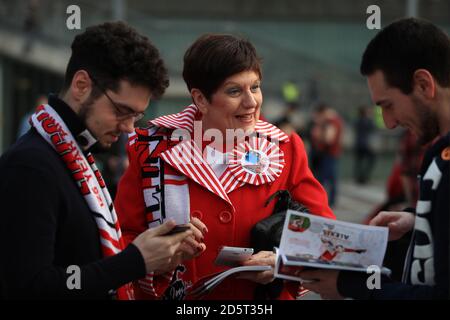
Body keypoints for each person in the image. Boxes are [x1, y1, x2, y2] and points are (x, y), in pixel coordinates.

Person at [114, 33, 335, 300]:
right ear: (200, 99)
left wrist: (281, 261)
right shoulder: (150, 148)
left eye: (255, 87)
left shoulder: (286, 147)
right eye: (234, 91)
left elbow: (326, 235)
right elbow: (123, 238)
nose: (251, 102)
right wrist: (161, 256)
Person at [0, 22, 202, 299]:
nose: (130, 127)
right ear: (81, 85)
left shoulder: (73, 152)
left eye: (137, 116)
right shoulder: (31, 166)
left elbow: (83, 260)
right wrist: (134, 261)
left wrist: (153, 251)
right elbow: (31, 286)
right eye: (122, 111)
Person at [299, 18, 450, 299]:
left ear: (422, 84)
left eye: (388, 105)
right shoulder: (438, 152)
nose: (390, 123)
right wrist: (418, 223)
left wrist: (349, 285)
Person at [308, 103, 343, 207]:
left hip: (329, 153)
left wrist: (318, 135)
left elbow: (329, 139)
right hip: (330, 153)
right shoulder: (334, 120)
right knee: (330, 178)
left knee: (325, 178)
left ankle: (323, 200)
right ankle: (329, 200)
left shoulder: (331, 122)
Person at [354, 105, 376, 184]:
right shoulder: (367, 121)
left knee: (359, 161)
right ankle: (364, 177)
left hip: (358, 144)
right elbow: (373, 127)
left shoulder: (357, 120)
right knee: (371, 159)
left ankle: (359, 177)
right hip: (365, 144)